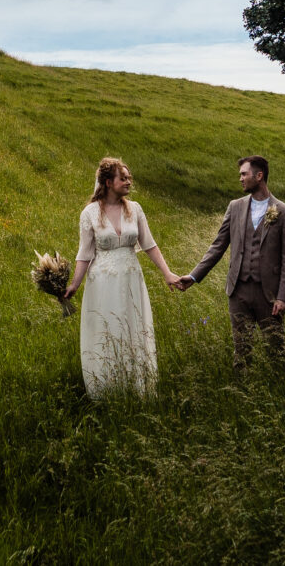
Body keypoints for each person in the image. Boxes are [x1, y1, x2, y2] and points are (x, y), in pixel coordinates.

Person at [64, 156, 180, 397]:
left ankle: (136, 386)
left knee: (132, 326)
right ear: (108, 182)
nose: (128, 182)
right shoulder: (89, 213)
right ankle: (106, 387)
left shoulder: (134, 209)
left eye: (129, 178)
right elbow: (84, 253)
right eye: (123, 178)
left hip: (131, 278)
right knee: (107, 327)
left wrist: (167, 273)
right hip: (102, 281)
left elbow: (149, 244)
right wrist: (74, 284)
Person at [172, 154, 285, 369]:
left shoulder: (283, 212)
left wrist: (283, 297)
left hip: (269, 295)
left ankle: (281, 390)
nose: (240, 179)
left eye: (244, 174)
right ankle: (243, 392)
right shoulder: (235, 207)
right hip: (238, 291)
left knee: (276, 350)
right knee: (241, 351)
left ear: (259, 175)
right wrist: (193, 276)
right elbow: (218, 246)